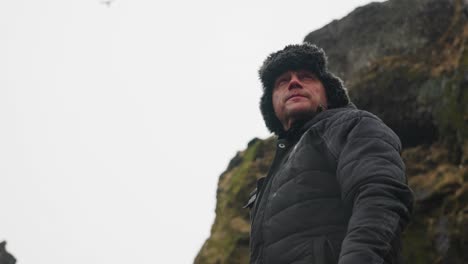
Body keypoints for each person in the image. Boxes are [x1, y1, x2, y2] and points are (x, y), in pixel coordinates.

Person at [244, 43, 413, 264]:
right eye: (283, 81)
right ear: (272, 105)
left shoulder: (352, 125)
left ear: (328, 94)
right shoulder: (270, 180)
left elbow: (379, 195)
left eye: (306, 77)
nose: (294, 82)